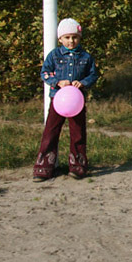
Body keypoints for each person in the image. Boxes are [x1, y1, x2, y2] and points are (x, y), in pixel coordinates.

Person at [33, 18, 99, 181]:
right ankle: (44, 166)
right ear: (60, 39)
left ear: (79, 37)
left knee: (77, 133)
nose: (71, 41)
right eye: (67, 37)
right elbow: (45, 73)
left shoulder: (86, 57)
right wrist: (57, 82)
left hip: (77, 102)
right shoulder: (54, 55)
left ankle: (78, 165)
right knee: (51, 131)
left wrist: (83, 83)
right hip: (58, 101)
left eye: (75, 37)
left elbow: (93, 74)